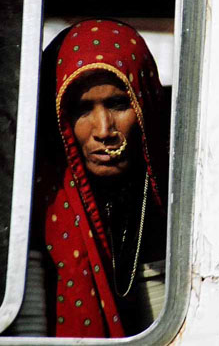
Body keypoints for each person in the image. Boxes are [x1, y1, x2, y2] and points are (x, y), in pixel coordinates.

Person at [32, 19, 169, 337]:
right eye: (81, 110)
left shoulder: (181, 199)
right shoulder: (32, 209)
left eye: (119, 104)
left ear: (144, 102)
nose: (104, 130)